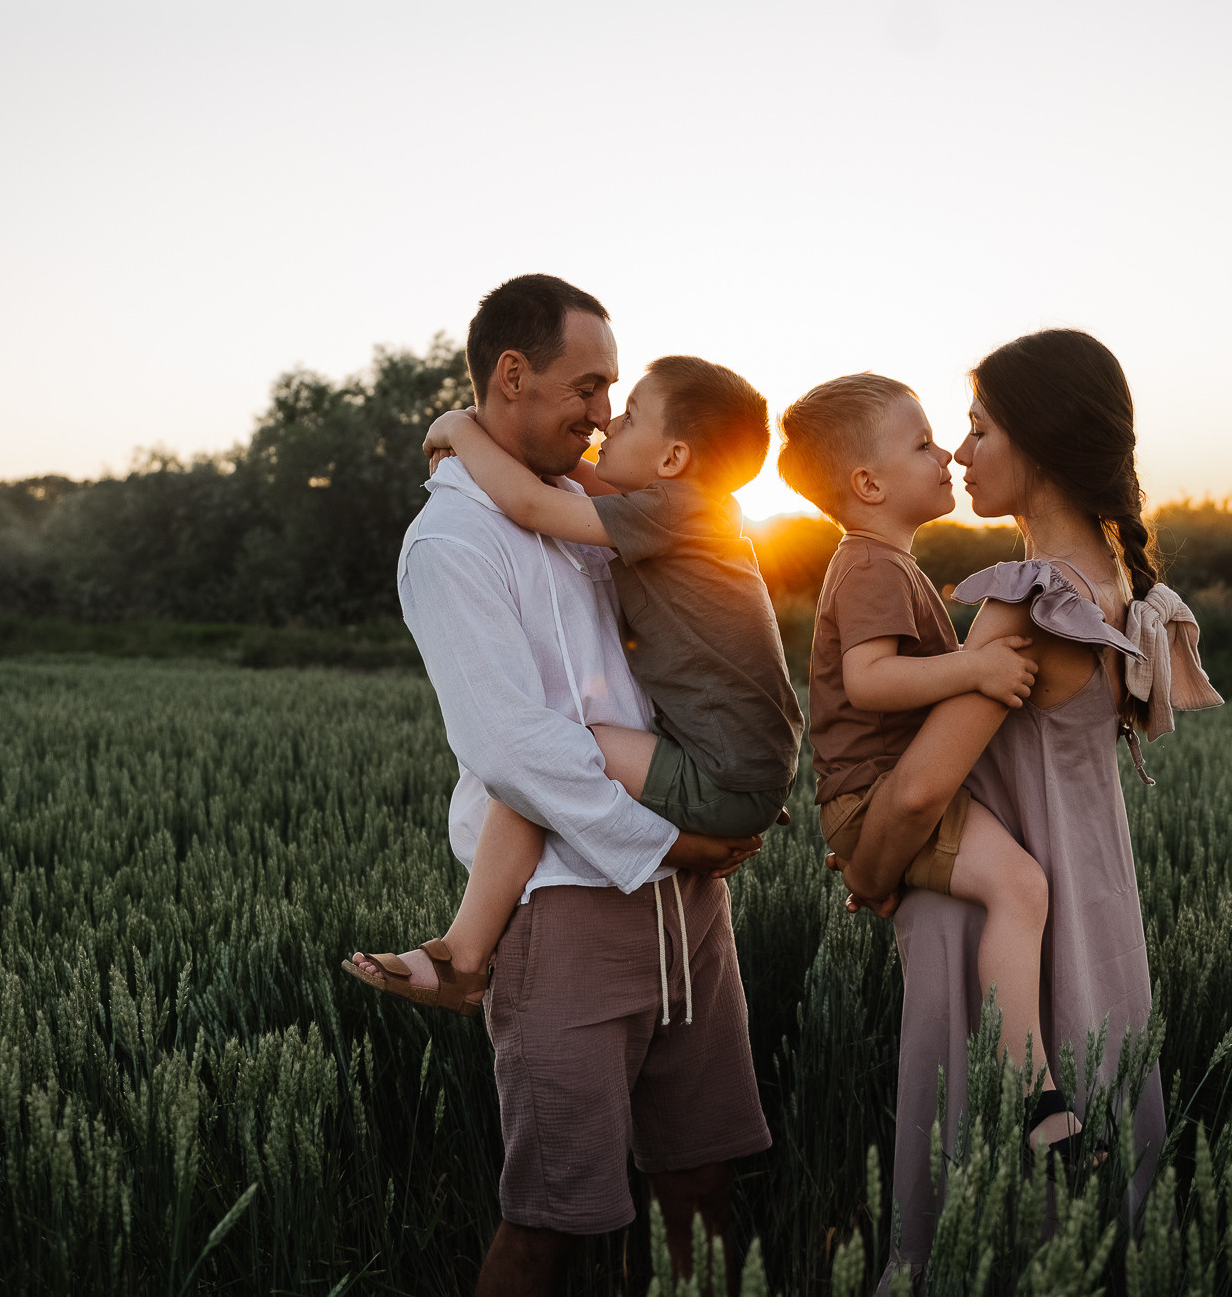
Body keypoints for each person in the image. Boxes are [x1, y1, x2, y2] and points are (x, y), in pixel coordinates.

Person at [346, 274, 773, 1292]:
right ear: (511, 375)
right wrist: (674, 842)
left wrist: (706, 836)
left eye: (616, 394)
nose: (602, 413)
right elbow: (513, 747)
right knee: (555, 1219)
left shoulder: (598, 500)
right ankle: (466, 953)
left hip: (692, 917)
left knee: (704, 1185)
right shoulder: (452, 542)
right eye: (589, 387)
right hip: (571, 912)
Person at [831, 330, 1222, 1276]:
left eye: (977, 428)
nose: (961, 453)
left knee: (986, 1198)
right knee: (1098, 1144)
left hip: (989, 926)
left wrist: (872, 873)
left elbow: (924, 783)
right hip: (1091, 904)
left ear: (1038, 443)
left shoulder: (1031, 599)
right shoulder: (1124, 588)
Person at [346, 352, 804, 1020]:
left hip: (725, 774)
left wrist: (460, 427)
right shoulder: (696, 509)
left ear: (673, 460)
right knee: (551, 751)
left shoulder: (674, 512)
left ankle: (464, 954)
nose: (609, 421)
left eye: (631, 414)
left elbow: (532, 502)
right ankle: (462, 954)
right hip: (744, 763)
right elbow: (572, 480)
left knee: (556, 748)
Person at [773, 372, 1078, 1154]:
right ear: (867, 483)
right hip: (875, 797)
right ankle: (1032, 1093)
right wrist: (974, 669)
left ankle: (1028, 1084)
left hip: (884, 794)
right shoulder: (870, 565)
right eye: (921, 443)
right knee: (1021, 886)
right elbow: (872, 682)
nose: (947, 452)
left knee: (1015, 887)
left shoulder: (886, 562)